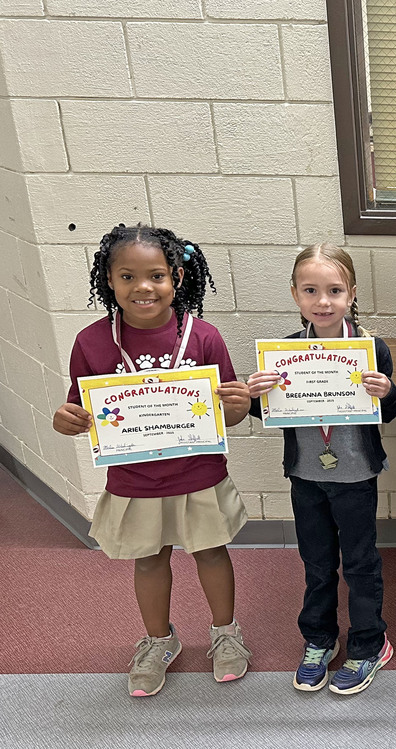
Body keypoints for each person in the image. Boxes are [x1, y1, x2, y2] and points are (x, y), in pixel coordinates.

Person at [52, 224, 253, 697]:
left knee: (210, 553)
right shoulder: (91, 342)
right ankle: (159, 641)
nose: (143, 287)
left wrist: (239, 407)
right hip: (134, 476)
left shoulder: (203, 336)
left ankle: (226, 634)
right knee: (148, 561)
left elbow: (229, 409)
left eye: (156, 276)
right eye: (127, 276)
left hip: (198, 474)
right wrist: (67, 419)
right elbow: (78, 408)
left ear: (177, 278)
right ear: (109, 280)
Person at [247, 244, 396, 695]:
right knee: (316, 565)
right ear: (295, 294)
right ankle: (319, 639)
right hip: (306, 475)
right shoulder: (282, 353)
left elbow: (391, 411)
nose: (323, 301)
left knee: (359, 564)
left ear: (351, 293)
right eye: (311, 290)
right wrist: (257, 395)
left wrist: (387, 391)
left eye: (334, 290)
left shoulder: (372, 349)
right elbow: (269, 413)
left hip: (355, 476)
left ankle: (370, 643)